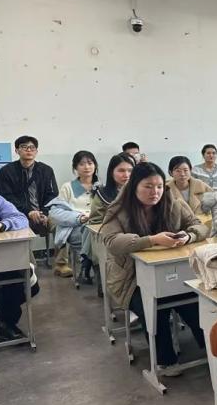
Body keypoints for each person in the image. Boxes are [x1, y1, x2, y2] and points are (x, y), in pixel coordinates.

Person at [101, 162, 208, 373]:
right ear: (134, 186)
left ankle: (211, 350)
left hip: (170, 273)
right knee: (155, 305)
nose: (155, 192)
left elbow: (200, 226)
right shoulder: (120, 210)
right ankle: (165, 360)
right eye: (148, 186)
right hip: (130, 278)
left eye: (159, 186)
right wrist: (151, 240)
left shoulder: (172, 203)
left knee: (194, 300)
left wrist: (188, 236)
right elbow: (112, 241)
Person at [0, 192, 40, 342]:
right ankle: (6, 323)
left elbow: (21, 219)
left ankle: (5, 322)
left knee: (27, 282)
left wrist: (1, 225)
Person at [47, 150, 99, 282]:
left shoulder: (100, 187)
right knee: (91, 240)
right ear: (75, 167)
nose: (86, 167)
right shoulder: (68, 187)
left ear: (95, 165)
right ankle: (89, 267)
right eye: (82, 164)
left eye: (90, 163)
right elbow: (57, 212)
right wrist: (79, 218)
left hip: (97, 226)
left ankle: (90, 267)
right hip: (74, 226)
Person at [0, 135, 59, 237]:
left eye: (32, 147)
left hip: (44, 213)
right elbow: (7, 197)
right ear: (17, 150)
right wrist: (29, 212)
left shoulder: (46, 170)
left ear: (36, 151)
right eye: (24, 147)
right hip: (18, 214)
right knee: (19, 231)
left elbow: (52, 195)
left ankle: (59, 248)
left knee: (61, 226)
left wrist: (44, 213)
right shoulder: (7, 171)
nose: (29, 150)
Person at [89, 153, 136, 226]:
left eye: (130, 170)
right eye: (121, 170)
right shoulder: (102, 194)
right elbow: (95, 223)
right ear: (111, 172)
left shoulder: (139, 192)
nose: (126, 175)